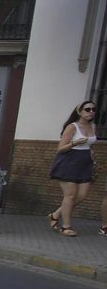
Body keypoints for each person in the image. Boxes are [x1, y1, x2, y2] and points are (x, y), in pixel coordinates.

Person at [47, 101, 97, 237]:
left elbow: (90, 145)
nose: (91, 112)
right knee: (70, 195)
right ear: (79, 112)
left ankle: (55, 214)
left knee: (82, 195)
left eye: (93, 109)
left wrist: (92, 155)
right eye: (87, 109)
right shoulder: (72, 127)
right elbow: (60, 148)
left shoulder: (93, 126)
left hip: (85, 163)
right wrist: (74, 143)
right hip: (69, 162)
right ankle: (66, 227)